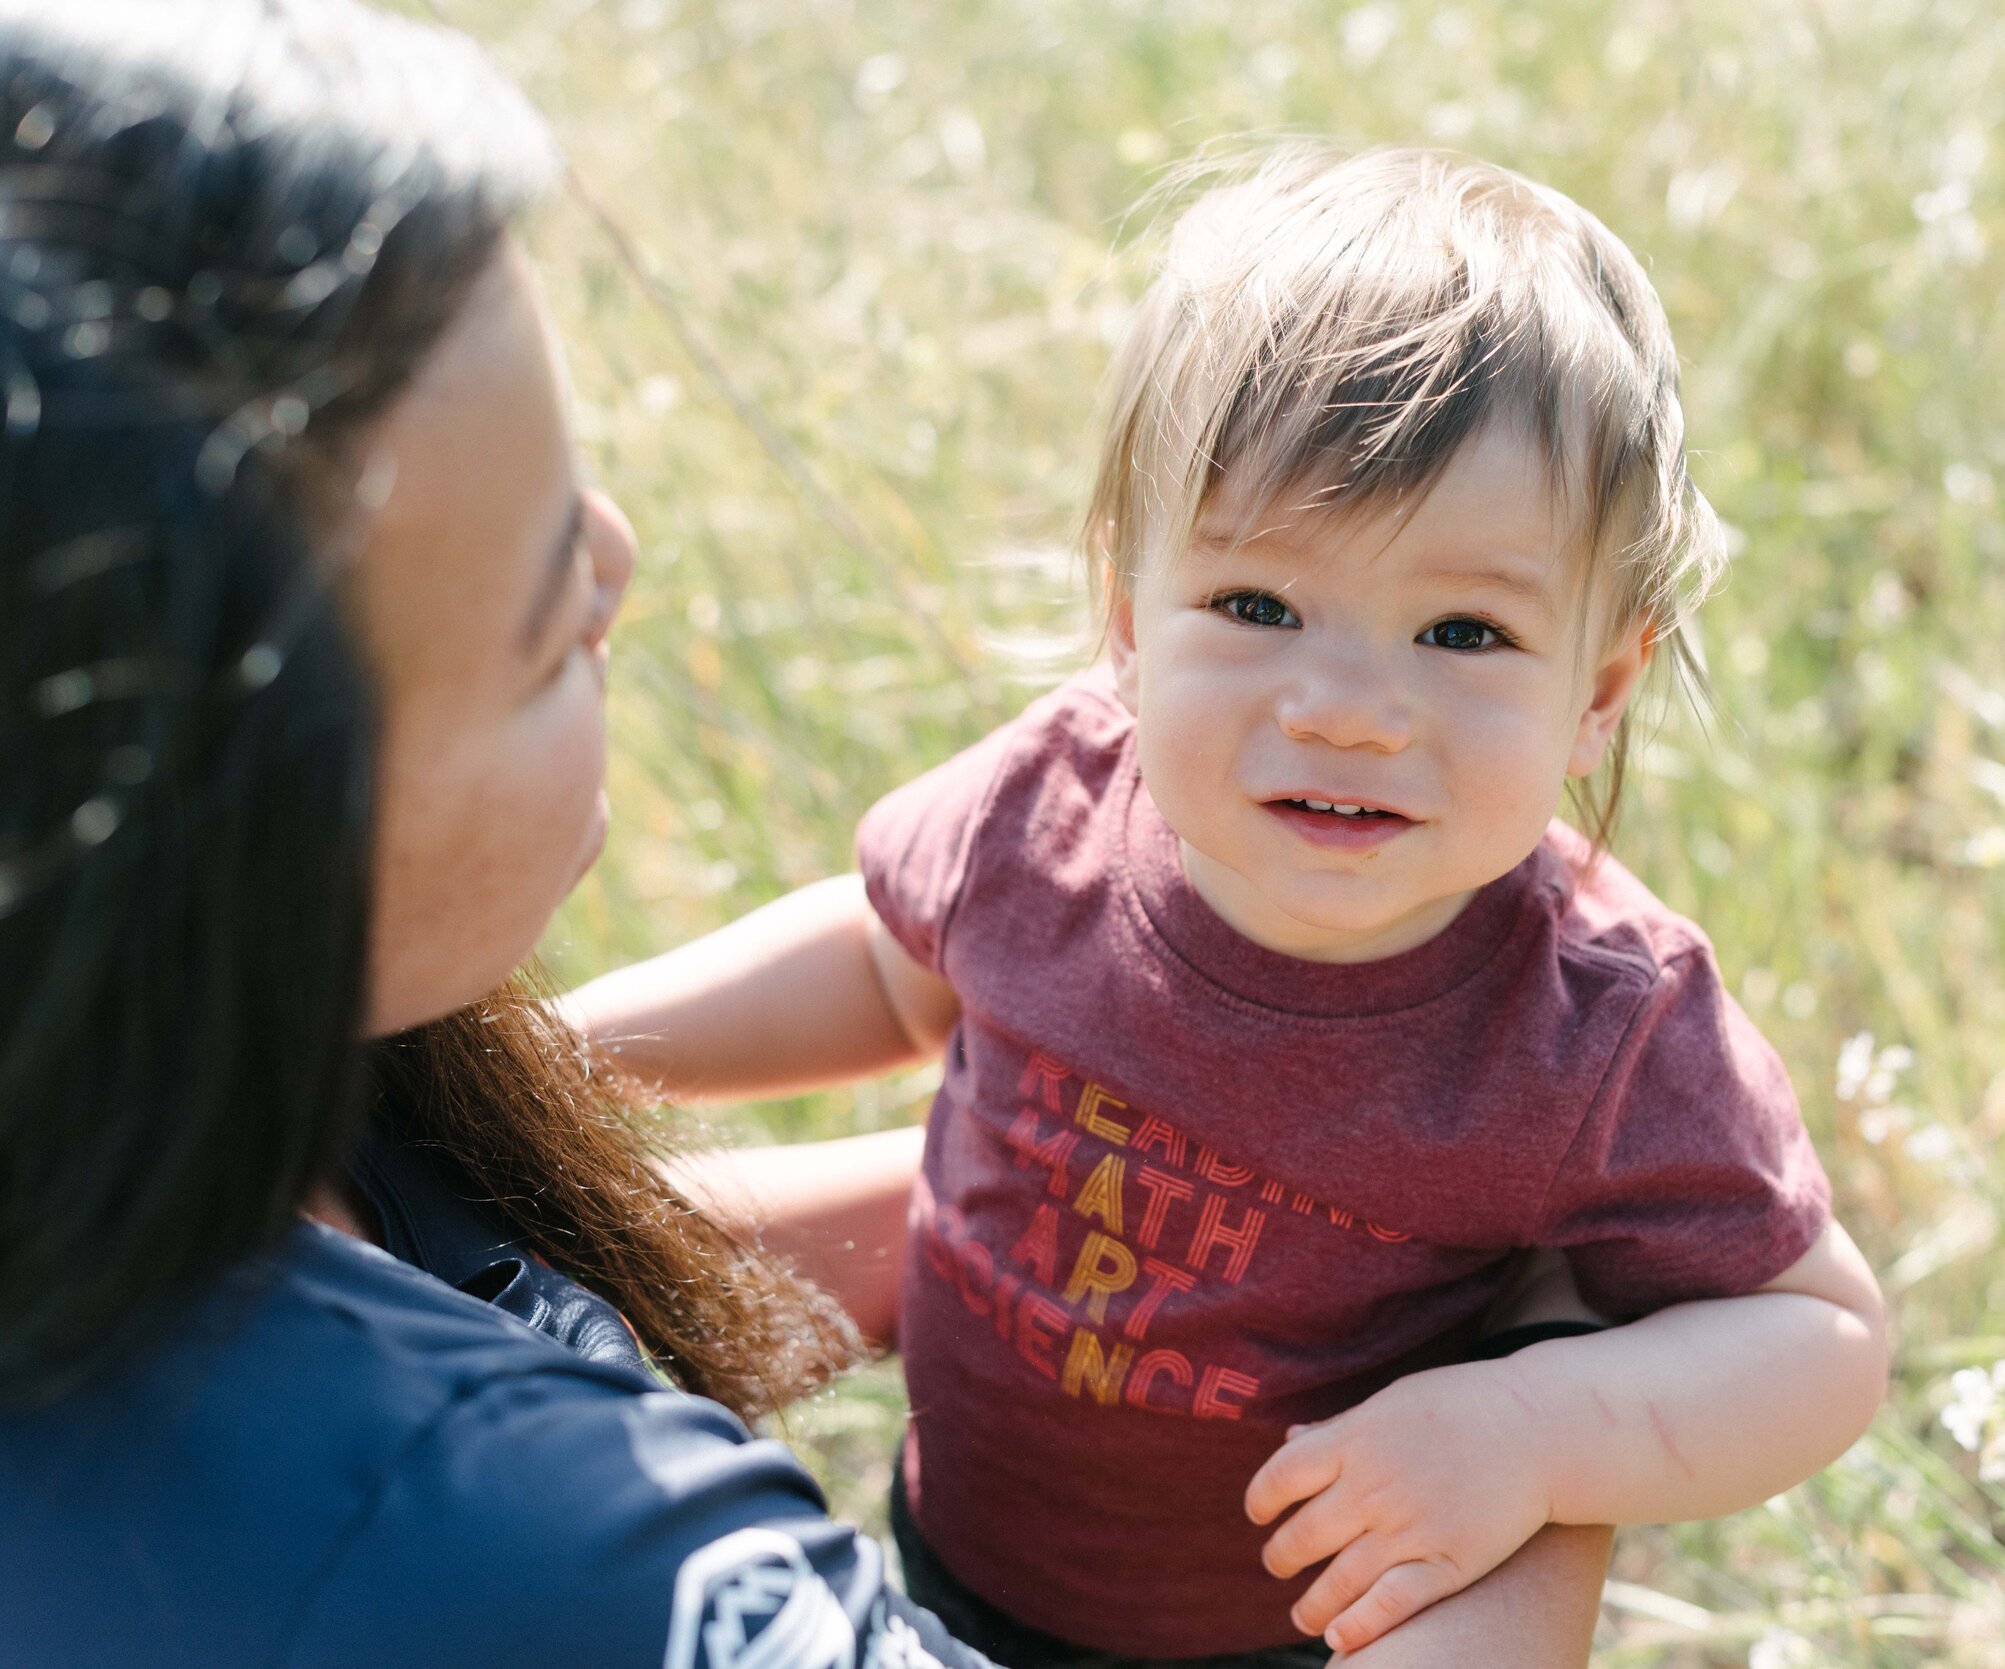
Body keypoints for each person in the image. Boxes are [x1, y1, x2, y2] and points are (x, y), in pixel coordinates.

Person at [0, 7, 1625, 1665]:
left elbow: (570, 1263)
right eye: (540, 583)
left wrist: (1150, 1239)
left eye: (1465, 632)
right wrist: (1545, 1418)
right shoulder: (562, 1569)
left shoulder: (178, 1104)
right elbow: (885, 951)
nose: (617, 560)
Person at [571, 146, 1892, 1669]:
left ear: (1598, 692)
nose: (1347, 708)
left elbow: (1823, 1338)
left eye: (1463, 630)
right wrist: (566, 1050)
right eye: (1260, 607)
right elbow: (887, 970)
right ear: (1132, 625)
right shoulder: (1056, 803)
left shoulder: (1587, 1026)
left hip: (1285, 1631)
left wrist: (1528, 1429)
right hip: (953, 1555)